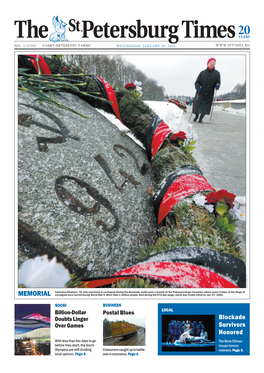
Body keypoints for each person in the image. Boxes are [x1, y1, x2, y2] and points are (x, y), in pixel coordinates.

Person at [192, 58, 221, 123]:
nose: (212, 64)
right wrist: (198, 87)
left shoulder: (217, 73)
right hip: (201, 92)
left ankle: (200, 119)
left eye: (214, 62)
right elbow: (197, 82)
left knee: (206, 106)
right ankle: (196, 116)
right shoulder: (202, 73)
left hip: (209, 93)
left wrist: (217, 85)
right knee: (197, 105)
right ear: (208, 64)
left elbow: (218, 82)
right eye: (211, 62)